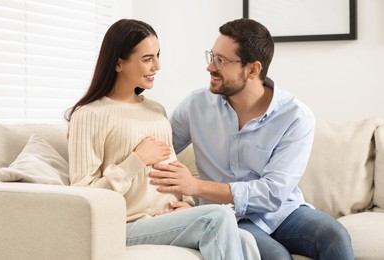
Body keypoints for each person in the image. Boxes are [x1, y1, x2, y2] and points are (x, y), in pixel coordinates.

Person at [150, 18, 354, 260]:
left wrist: (197, 187)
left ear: (253, 69)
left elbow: (272, 194)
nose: (210, 68)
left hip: (282, 212)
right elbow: (160, 155)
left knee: (334, 234)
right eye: (211, 56)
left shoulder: (295, 117)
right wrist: (186, 207)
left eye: (221, 61)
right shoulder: (196, 106)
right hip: (225, 214)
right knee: (274, 256)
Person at [65, 19, 260, 260]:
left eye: (157, 56)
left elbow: (172, 169)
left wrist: (187, 202)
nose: (157, 65)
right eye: (147, 59)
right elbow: (82, 195)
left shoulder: (156, 110)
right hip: (125, 223)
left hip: (166, 219)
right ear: (119, 63)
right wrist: (136, 160)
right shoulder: (89, 115)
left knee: (246, 239)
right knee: (217, 217)